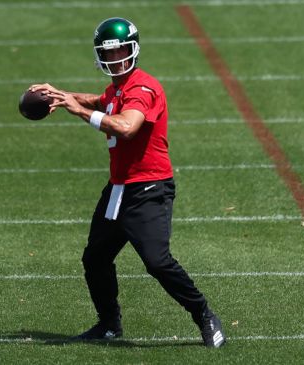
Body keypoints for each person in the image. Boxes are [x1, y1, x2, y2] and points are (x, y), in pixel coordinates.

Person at [29, 17, 226, 348]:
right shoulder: (118, 88)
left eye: (120, 50)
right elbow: (103, 101)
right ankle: (109, 324)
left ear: (133, 49)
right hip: (120, 188)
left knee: (157, 262)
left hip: (149, 189)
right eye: (109, 52)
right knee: (95, 257)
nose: (115, 57)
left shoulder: (143, 87)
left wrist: (78, 110)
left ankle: (204, 314)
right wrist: (62, 96)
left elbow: (127, 126)